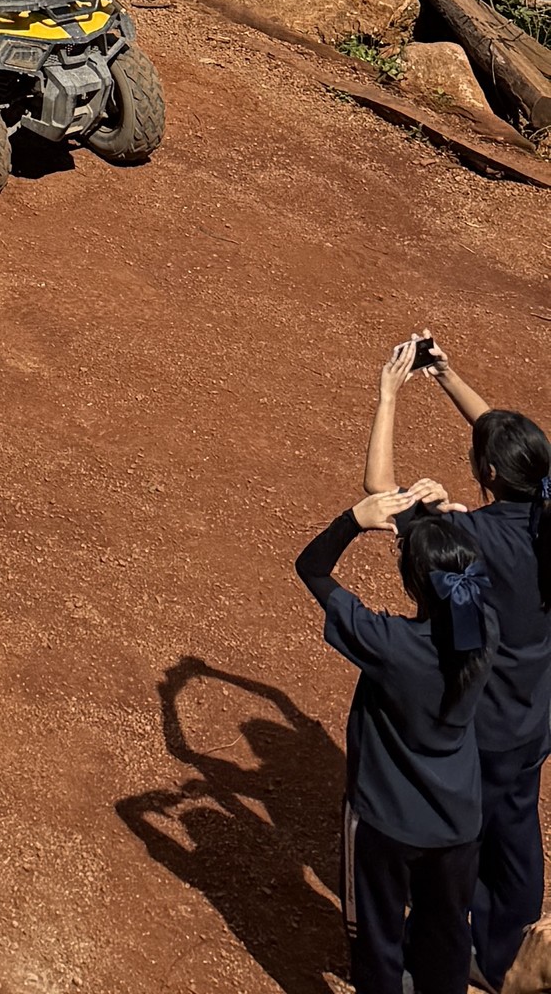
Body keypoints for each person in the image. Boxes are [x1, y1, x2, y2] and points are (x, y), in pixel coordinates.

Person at [301, 371, 498, 994]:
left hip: (388, 824)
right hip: (458, 825)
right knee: (445, 938)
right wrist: (440, 512)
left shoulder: (391, 646)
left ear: (414, 585)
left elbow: (311, 568)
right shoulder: (484, 627)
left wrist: (355, 519)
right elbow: (452, 567)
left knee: (379, 944)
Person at [379, 332, 551, 987]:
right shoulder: (545, 508)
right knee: (516, 829)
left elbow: (383, 493)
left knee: (456, 837)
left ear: (483, 476)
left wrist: (393, 392)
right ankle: (505, 952)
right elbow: (512, 450)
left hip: (483, 717)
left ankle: (439, 953)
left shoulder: (471, 536)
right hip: (535, 713)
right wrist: (448, 377)